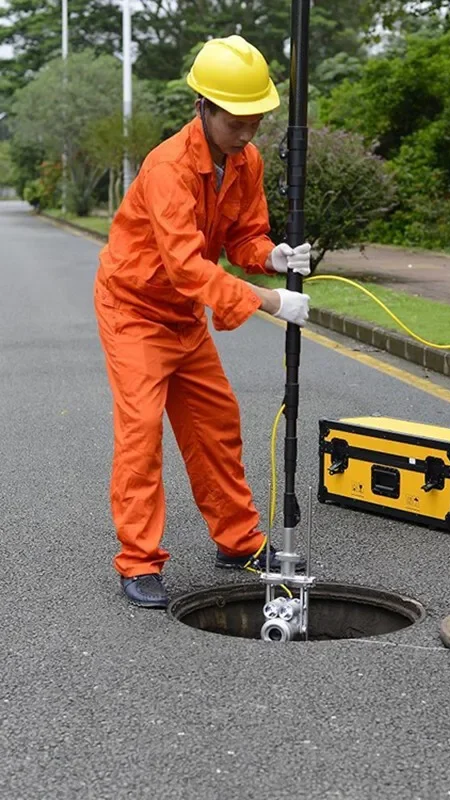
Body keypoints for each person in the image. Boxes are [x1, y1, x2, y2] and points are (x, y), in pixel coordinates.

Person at [94, 35, 311, 608]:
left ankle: (238, 542)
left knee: (216, 423)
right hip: (134, 308)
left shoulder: (246, 160)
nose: (246, 133)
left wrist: (272, 256)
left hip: (183, 313)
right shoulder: (168, 167)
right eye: (236, 121)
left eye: (256, 121)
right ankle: (139, 562)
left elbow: (244, 235)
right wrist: (269, 302)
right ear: (203, 108)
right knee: (141, 434)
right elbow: (186, 265)